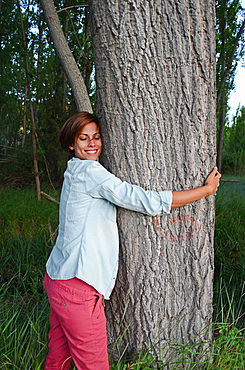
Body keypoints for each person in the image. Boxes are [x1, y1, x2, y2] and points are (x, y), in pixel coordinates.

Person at [43, 112, 221, 370]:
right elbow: (142, 200)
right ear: (71, 144)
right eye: (84, 138)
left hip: (58, 280)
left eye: (96, 137)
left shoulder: (74, 171)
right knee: (93, 365)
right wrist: (205, 191)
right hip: (77, 287)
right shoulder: (91, 172)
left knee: (59, 360)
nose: (92, 143)